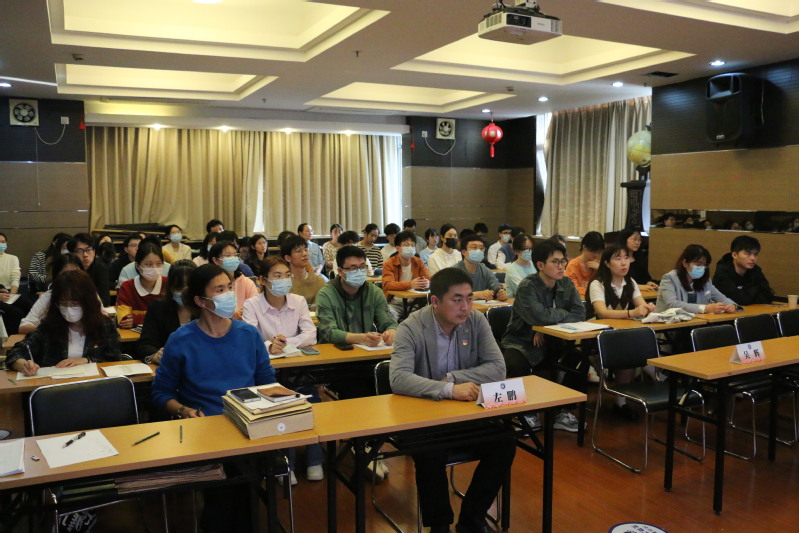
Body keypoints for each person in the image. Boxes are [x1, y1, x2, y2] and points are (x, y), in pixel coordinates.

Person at [389, 267, 515, 533]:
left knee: (504, 442)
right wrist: (448, 390)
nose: (466, 307)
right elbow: (398, 378)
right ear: (435, 301)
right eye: (457, 300)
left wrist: (451, 379)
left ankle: (472, 518)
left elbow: (497, 368)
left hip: (464, 411)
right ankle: (439, 525)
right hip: (423, 415)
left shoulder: (476, 321)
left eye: (469, 298)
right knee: (430, 452)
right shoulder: (411, 326)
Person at [151, 263, 275, 532]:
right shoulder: (181, 340)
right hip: (204, 430)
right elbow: (161, 393)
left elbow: (268, 383)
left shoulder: (248, 334)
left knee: (243, 475)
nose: (229, 294)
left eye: (230, 287)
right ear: (200, 300)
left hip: (247, 424)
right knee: (229, 482)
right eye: (220, 290)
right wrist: (183, 410)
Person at [242, 256, 322, 483]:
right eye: (277, 276)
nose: (283, 280)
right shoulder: (251, 305)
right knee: (280, 405)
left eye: (287, 275)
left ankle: (315, 460)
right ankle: (287, 465)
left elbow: (311, 334)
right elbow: (249, 340)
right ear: (262, 280)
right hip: (266, 375)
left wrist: (285, 343)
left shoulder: (298, 301)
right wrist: (269, 346)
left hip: (296, 370)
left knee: (312, 400)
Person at [502, 239, 585, 432]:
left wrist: (543, 325)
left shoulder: (566, 283)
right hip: (521, 341)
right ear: (540, 265)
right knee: (517, 364)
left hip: (552, 339)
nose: (561, 266)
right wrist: (559, 314)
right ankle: (524, 414)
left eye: (563, 261)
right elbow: (538, 316)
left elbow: (580, 313)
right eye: (555, 262)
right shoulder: (528, 286)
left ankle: (562, 411)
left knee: (579, 358)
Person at [586, 244, 656, 419]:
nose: (624, 263)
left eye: (626, 258)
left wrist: (648, 308)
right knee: (631, 346)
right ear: (607, 263)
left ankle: (622, 401)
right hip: (597, 335)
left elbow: (641, 305)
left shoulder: (630, 282)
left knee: (636, 342)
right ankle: (656, 374)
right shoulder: (598, 283)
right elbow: (602, 312)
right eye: (618, 259)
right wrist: (631, 313)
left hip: (621, 333)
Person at [7, 270, 121, 375]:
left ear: (88, 302)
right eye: (63, 303)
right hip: (55, 385)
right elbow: (18, 351)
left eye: (75, 303)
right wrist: (21, 364)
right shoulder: (49, 326)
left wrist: (87, 360)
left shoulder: (104, 324)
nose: (68, 309)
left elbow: (114, 358)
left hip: (94, 384)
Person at [316, 245, 398, 346]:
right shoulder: (326, 294)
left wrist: (391, 332)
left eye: (362, 267)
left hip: (367, 349)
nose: (359, 271)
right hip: (334, 350)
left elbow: (388, 322)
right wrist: (361, 338)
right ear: (340, 271)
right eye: (353, 268)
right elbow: (329, 332)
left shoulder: (374, 292)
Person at [136, 260, 197, 364]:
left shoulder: (205, 309)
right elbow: (145, 345)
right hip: (169, 366)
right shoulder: (158, 307)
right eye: (179, 288)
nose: (183, 293)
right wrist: (155, 355)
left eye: (188, 289)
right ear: (171, 287)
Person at [655, 244, 737, 314]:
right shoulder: (670, 278)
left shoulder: (705, 281)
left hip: (697, 322)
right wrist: (705, 308)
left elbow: (722, 298)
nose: (701, 268)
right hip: (670, 322)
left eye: (704, 265)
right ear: (685, 263)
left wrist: (732, 305)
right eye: (698, 264)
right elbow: (672, 304)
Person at [19, 254, 84, 334]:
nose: (70, 279)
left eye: (75, 274)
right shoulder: (49, 296)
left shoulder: (90, 294)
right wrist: (49, 330)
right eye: (65, 274)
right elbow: (23, 327)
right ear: (56, 277)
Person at [116, 242, 168, 329]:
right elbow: (123, 320)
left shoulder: (168, 284)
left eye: (158, 264)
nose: (154, 268)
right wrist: (158, 317)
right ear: (138, 266)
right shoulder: (127, 286)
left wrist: (135, 319)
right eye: (148, 264)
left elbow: (172, 316)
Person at [712, 235, 774, 305]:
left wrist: (746, 294)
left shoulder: (755, 269)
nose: (753, 258)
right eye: (748, 254)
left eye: (755, 254)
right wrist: (756, 288)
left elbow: (769, 296)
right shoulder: (723, 271)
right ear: (734, 255)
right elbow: (740, 300)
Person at [382, 230, 431, 319]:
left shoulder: (418, 262)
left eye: (412, 245)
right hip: (395, 304)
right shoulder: (389, 263)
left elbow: (428, 278)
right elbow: (388, 284)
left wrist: (427, 283)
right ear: (398, 248)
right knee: (388, 317)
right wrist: (410, 284)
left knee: (427, 316)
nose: (410, 248)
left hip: (415, 303)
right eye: (406, 245)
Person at [208, 241, 258, 320]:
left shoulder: (246, 282)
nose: (233, 258)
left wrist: (242, 313)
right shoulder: (209, 283)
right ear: (215, 260)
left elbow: (255, 308)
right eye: (228, 255)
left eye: (235, 255)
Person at [453, 234, 507, 301]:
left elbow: (496, 286)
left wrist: (501, 293)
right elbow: (452, 296)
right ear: (464, 252)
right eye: (474, 247)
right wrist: (478, 295)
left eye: (481, 248)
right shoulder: (454, 272)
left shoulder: (484, 270)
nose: (478, 251)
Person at [0, 233, 34, 334]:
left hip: (9, 292)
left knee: (29, 306)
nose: (1, 244)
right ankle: (12, 339)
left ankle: (30, 336)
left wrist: (12, 294)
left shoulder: (12, 258)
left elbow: (15, 277)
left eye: (3, 242)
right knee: (16, 313)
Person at [281, 235, 327, 306]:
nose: (305, 254)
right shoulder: (283, 284)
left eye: (306, 250)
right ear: (288, 258)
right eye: (298, 251)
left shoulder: (319, 281)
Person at [68, 233, 111, 306]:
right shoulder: (68, 268)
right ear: (72, 254)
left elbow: (105, 300)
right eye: (79, 251)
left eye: (88, 250)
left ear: (94, 252)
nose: (85, 255)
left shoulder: (101, 268)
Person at [565, 231, 605, 298]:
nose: (596, 255)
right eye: (593, 251)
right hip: (579, 299)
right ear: (584, 247)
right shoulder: (573, 265)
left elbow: (607, 286)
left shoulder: (599, 265)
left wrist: (601, 269)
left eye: (599, 252)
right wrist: (594, 292)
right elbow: (573, 289)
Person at [505, 233, 536, 298]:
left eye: (531, 248)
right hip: (519, 302)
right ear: (516, 251)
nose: (530, 251)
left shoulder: (535, 264)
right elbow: (524, 292)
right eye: (526, 249)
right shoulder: (512, 270)